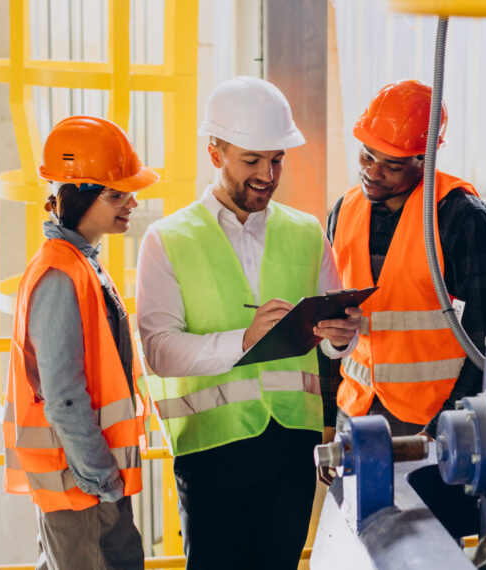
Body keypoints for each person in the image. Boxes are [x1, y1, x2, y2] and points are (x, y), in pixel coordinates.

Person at [136, 76, 359, 569]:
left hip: (293, 446)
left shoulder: (307, 233)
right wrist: (243, 338)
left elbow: (327, 341)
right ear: (215, 153)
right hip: (210, 448)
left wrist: (341, 340)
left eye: (276, 159)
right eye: (251, 161)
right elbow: (159, 350)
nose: (267, 174)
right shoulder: (166, 240)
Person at [3, 116, 156, 570]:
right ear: (76, 196)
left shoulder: (80, 264)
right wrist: (103, 479)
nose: (131, 202)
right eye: (115, 194)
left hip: (86, 484)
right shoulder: (60, 275)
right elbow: (64, 396)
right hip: (83, 487)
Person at [327, 79, 486, 440]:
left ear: (425, 158)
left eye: (392, 165)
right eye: (367, 155)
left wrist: (448, 427)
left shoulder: (464, 220)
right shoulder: (344, 211)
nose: (373, 172)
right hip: (355, 413)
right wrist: (328, 422)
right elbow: (330, 321)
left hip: (432, 424)